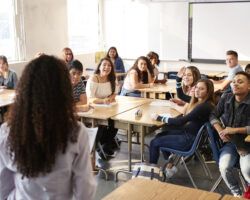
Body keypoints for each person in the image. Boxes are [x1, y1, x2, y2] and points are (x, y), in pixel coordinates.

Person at [0, 55, 96, 200]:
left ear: (25, 90)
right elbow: (85, 191)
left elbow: (3, 188)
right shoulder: (75, 132)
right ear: (64, 90)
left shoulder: (8, 131)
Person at [150, 79, 215, 178]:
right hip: (190, 136)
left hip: (189, 140)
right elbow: (182, 96)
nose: (197, 90)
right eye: (197, 87)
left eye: (201, 89)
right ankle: (170, 165)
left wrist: (160, 118)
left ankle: (151, 173)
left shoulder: (203, 106)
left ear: (208, 91)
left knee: (154, 142)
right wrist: (178, 80)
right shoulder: (203, 103)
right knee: (159, 135)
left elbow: (181, 121)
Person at [209, 71, 250, 198]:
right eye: (233, 81)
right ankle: (236, 193)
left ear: (249, 85)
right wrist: (220, 129)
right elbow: (213, 115)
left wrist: (235, 130)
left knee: (246, 170)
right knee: (224, 166)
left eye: (240, 81)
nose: (235, 84)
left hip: (247, 144)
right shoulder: (226, 97)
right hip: (231, 143)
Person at [86, 57, 119, 158]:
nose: (107, 67)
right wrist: (103, 101)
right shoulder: (94, 78)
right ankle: (98, 148)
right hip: (95, 108)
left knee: (115, 123)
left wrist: (111, 98)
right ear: (99, 67)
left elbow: (115, 93)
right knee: (100, 125)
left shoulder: (112, 78)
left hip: (107, 107)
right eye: (104, 65)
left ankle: (105, 145)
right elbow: (90, 98)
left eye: (109, 65)